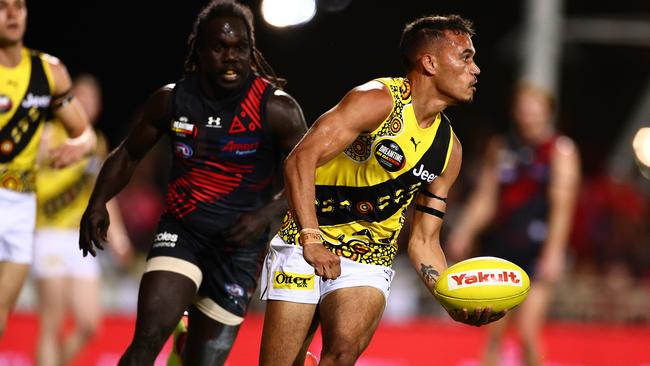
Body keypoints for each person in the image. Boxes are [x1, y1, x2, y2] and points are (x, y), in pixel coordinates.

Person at [259, 14, 504, 366]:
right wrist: (311, 239)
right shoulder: (375, 100)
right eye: (466, 57)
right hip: (305, 242)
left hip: (368, 259)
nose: (476, 69)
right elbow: (300, 160)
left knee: (343, 351)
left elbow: (423, 241)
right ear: (430, 62)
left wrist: (452, 299)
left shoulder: (449, 151)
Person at [78, 1, 308, 365]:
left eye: (240, 49)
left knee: (202, 362)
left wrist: (264, 216)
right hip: (182, 234)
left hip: (238, 250)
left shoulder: (277, 109)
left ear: (252, 51)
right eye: (219, 47)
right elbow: (128, 154)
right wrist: (97, 202)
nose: (231, 57)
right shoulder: (172, 100)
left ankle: (183, 351)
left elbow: (310, 174)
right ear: (198, 50)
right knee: (148, 337)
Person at [447, 82, 580, 366]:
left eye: (535, 109)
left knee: (528, 331)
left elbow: (562, 208)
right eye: (523, 109)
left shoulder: (560, 151)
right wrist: (464, 230)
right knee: (493, 331)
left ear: (548, 112)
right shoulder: (501, 147)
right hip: (502, 249)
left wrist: (554, 253)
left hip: (538, 251)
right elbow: (486, 198)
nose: (528, 115)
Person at [0, 0, 96, 337]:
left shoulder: (49, 71)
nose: (12, 14)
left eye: (19, 6)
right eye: (2, 6)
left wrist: (78, 146)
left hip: (21, 205)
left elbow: (84, 133)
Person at [32, 74, 132, 366]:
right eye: (80, 98)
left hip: (79, 240)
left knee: (89, 323)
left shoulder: (96, 143)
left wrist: (119, 236)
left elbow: (102, 195)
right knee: (51, 323)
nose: (86, 104)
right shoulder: (46, 134)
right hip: (47, 234)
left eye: (92, 99)